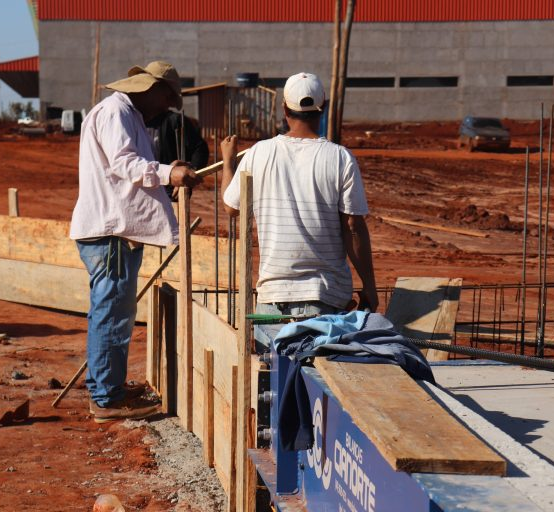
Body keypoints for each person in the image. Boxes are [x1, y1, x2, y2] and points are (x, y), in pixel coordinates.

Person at [70, 61, 202, 422]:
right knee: (111, 313)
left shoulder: (127, 115)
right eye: (167, 98)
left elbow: (131, 166)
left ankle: (106, 387)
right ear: (151, 88)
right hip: (110, 232)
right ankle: (106, 398)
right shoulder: (116, 113)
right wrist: (168, 172)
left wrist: (164, 171)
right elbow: (125, 164)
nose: (167, 106)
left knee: (113, 312)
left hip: (114, 230)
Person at [221, 72, 379, 323]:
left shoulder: (258, 153)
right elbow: (353, 226)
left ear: (284, 108)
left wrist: (228, 163)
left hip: (273, 297)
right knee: (321, 363)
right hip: (326, 298)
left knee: (273, 363)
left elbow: (232, 208)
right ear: (323, 107)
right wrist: (369, 285)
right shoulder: (340, 158)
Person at [148, 110, 209, 199]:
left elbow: (199, 149)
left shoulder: (174, 121)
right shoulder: (132, 122)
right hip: (144, 193)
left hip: (170, 193)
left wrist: (187, 174)